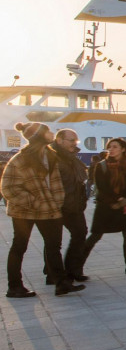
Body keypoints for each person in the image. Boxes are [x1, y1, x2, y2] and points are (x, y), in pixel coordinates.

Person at [1, 123, 81, 298]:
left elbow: (56, 183)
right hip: (24, 212)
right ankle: (14, 286)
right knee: (19, 247)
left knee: (53, 246)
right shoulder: (20, 159)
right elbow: (8, 188)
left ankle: (61, 283)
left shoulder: (50, 155)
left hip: (49, 210)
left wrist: (56, 202)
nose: (52, 133)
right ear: (40, 136)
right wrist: (33, 201)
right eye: (48, 131)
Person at [81, 138, 126, 276]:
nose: (111, 149)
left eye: (115, 147)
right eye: (109, 147)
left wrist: (125, 199)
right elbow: (102, 187)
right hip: (106, 205)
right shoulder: (101, 165)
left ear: (122, 149)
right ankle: (77, 268)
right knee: (95, 236)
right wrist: (118, 199)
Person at [50, 129, 89, 284]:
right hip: (59, 205)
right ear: (59, 140)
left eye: (76, 141)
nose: (74, 143)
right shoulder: (53, 157)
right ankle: (54, 275)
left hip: (74, 206)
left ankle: (72, 270)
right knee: (53, 242)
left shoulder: (71, 158)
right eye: (71, 140)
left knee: (80, 233)